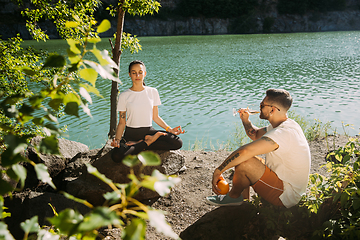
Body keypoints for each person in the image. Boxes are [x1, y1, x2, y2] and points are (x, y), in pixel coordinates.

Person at [206, 89, 311, 208]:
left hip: (286, 195)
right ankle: (243, 202)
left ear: (272, 109)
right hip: (283, 183)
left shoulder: (283, 133)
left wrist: (218, 170)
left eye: (262, 105)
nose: (259, 107)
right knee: (243, 159)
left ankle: (234, 197)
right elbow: (255, 134)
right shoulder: (284, 125)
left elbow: (245, 151)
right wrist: (245, 120)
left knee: (245, 160)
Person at [111, 60, 185, 162]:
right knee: (116, 156)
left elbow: (155, 117)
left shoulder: (152, 92)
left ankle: (141, 144)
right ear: (129, 75)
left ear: (145, 74)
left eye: (140, 72)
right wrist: (118, 140)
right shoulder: (124, 95)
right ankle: (146, 143)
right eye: (134, 72)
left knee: (177, 142)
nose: (137, 75)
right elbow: (122, 122)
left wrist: (170, 129)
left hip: (148, 132)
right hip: (130, 134)